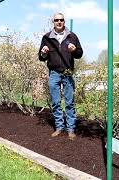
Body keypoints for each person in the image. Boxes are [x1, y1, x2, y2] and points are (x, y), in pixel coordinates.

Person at [38, 12, 83, 140]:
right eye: (56, 20)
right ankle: (59, 127)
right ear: (53, 22)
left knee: (69, 102)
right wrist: (43, 53)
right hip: (54, 74)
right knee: (56, 102)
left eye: (61, 20)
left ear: (64, 21)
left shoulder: (72, 36)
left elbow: (80, 54)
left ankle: (71, 129)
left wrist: (74, 50)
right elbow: (41, 57)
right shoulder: (47, 37)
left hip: (67, 73)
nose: (59, 22)